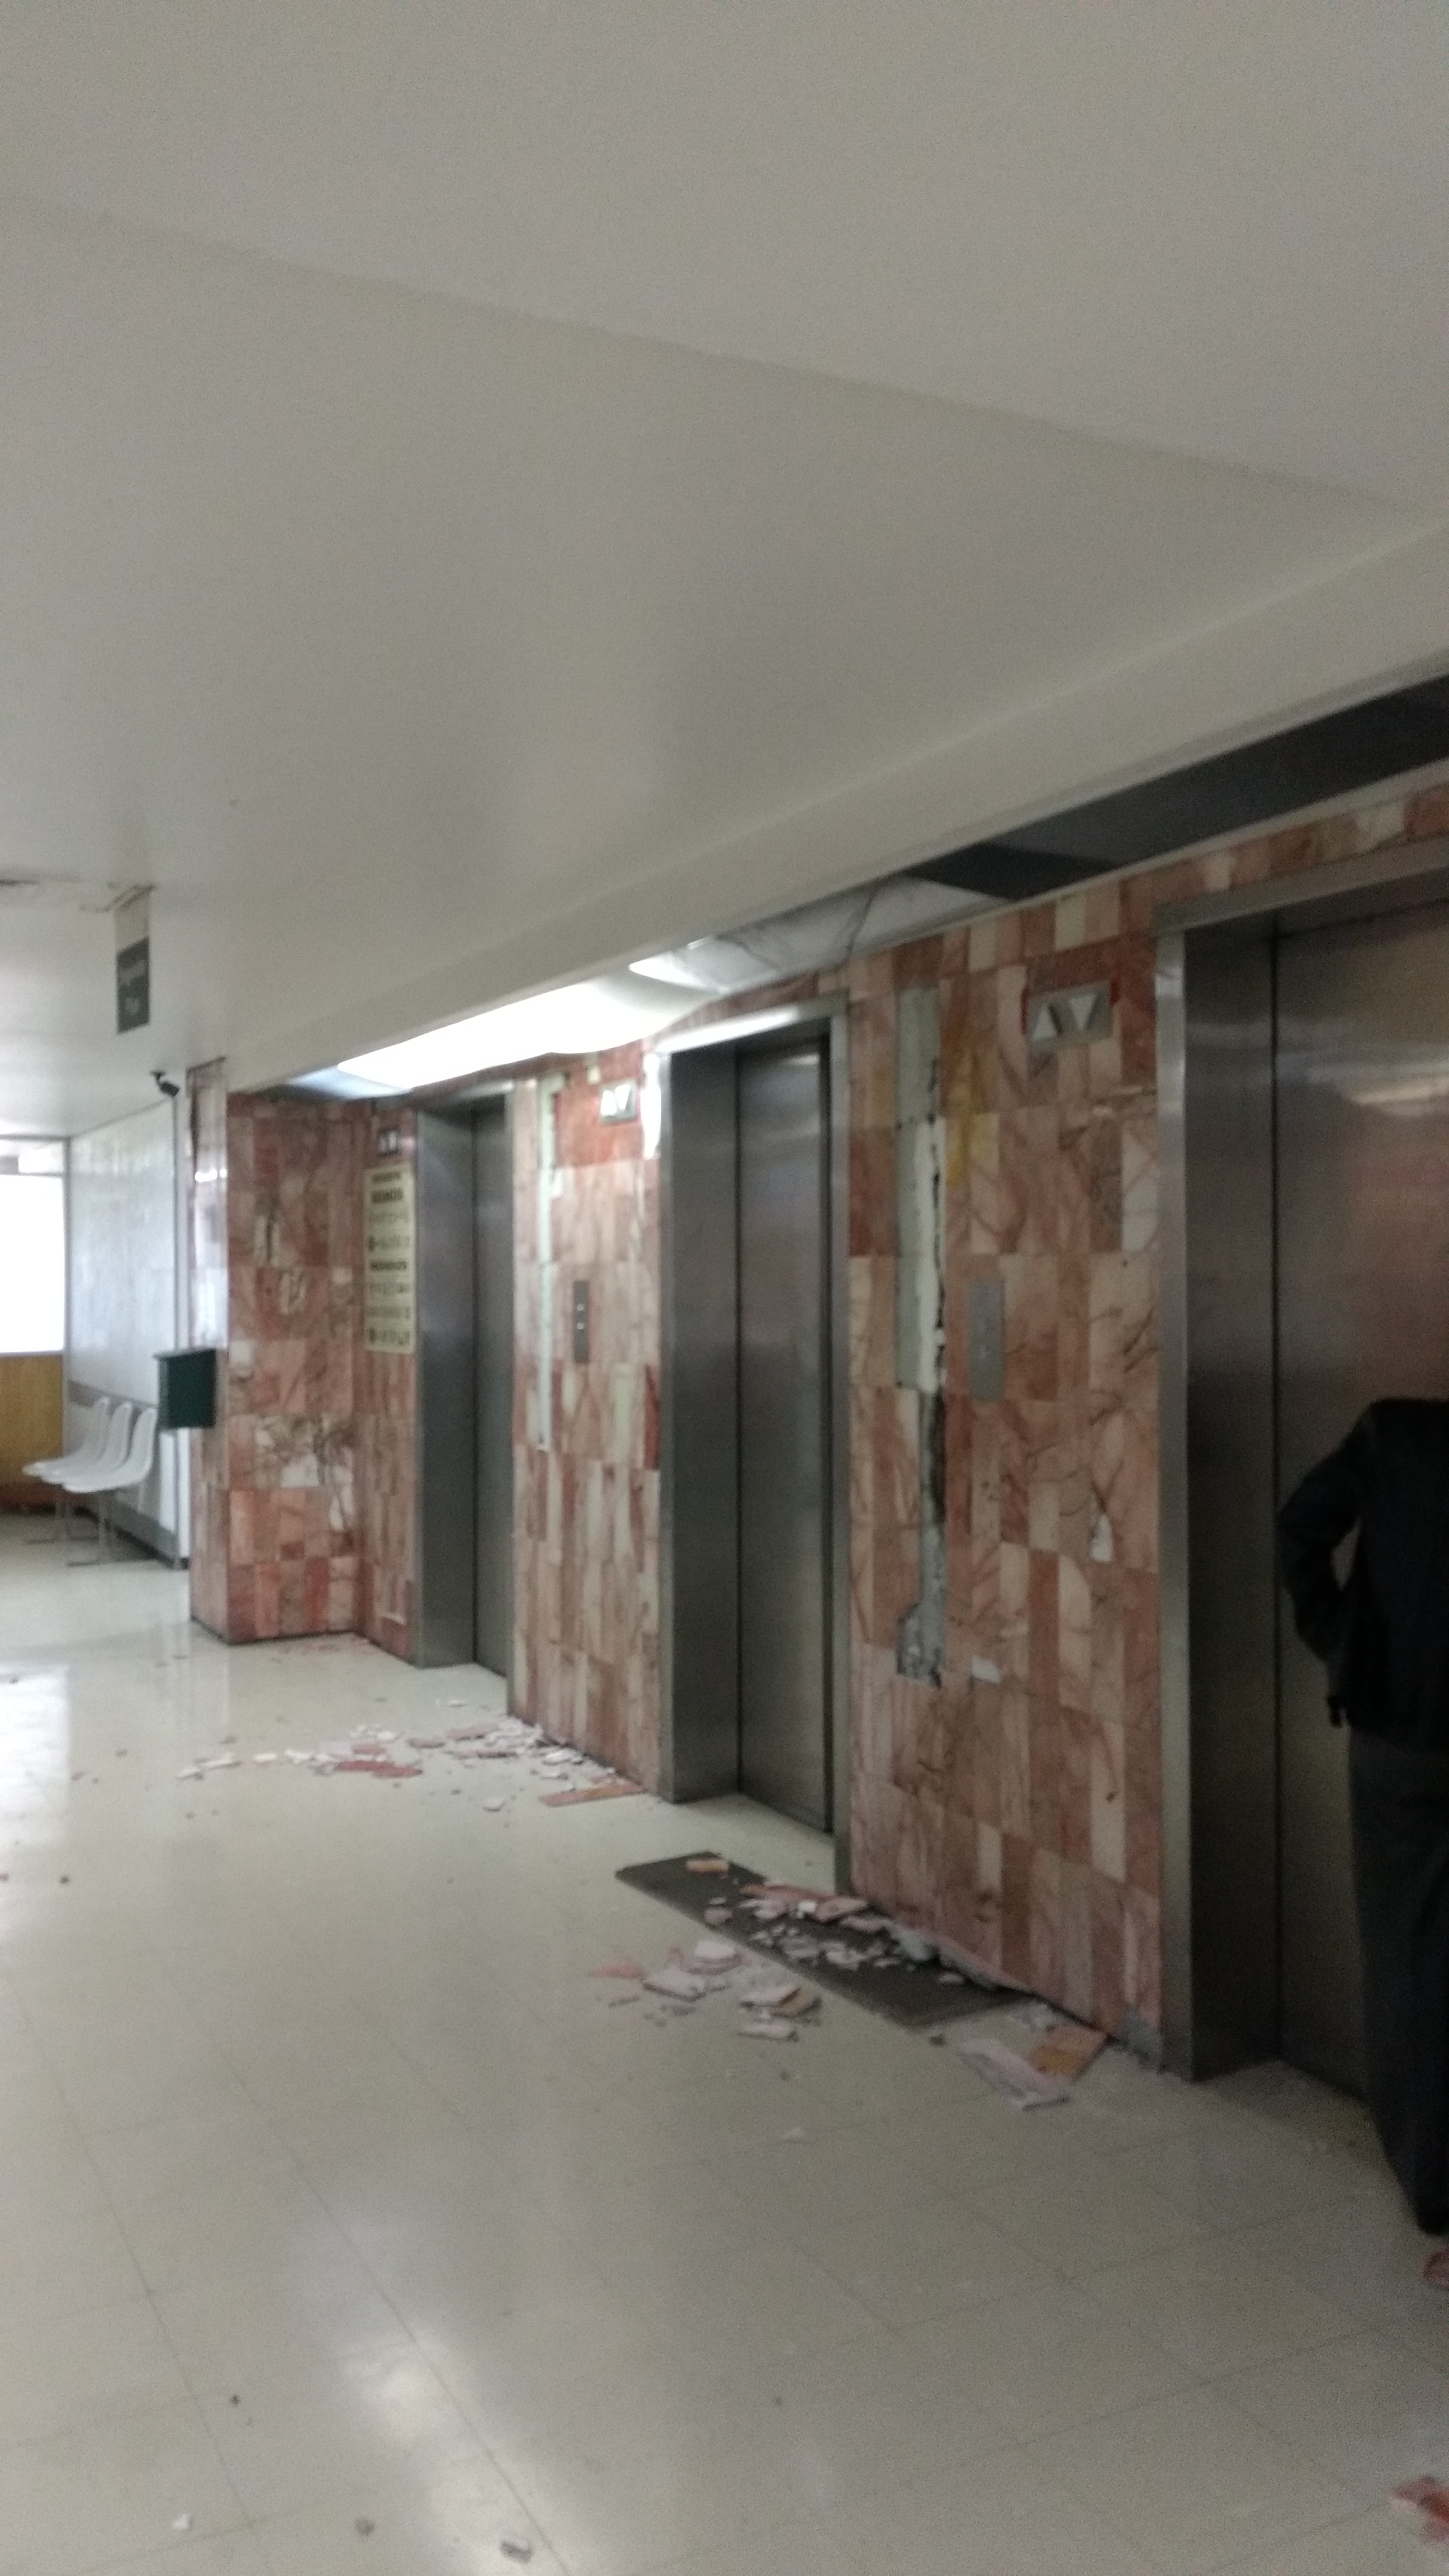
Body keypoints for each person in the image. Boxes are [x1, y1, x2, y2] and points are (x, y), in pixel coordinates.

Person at [1279, 1399, 1449, 2236]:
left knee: (1406, 1949)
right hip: (1403, 1732)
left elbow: (1300, 1530)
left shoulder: (1395, 1436)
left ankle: (1431, 2173)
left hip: (1402, 1733)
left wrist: (1342, 1637)